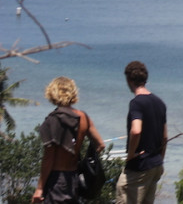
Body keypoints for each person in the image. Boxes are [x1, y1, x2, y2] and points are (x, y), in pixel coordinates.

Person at [33, 76, 105, 204]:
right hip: (74, 177)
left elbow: (48, 159)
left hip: (56, 180)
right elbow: (100, 145)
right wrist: (85, 164)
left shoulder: (52, 120)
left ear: (51, 93)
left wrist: (39, 188)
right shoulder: (83, 117)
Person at [115, 61, 167, 204]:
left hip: (139, 166)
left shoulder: (136, 103)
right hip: (155, 165)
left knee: (122, 191)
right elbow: (165, 137)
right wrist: (160, 159)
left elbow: (136, 130)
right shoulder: (159, 103)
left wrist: (130, 155)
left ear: (129, 80)